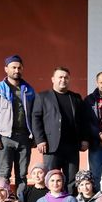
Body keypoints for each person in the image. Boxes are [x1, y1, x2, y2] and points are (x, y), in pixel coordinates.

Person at [32, 67, 90, 195]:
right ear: (53, 79)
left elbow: (83, 120)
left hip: (72, 146)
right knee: (52, 179)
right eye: (60, 77)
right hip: (51, 146)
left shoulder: (75, 97)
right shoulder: (43, 97)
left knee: (71, 181)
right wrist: (40, 140)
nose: (63, 80)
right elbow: (36, 119)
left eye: (66, 77)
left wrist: (84, 139)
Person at [0, 55, 36, 195]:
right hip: (5, 137)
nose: (16, 70)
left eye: (19, 67)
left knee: (22, 175)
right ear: (6, 69)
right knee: (4, 174)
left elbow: (34, 114)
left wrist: (35, 136)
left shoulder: (29, 90)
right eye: (13, 67)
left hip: (25, 137)